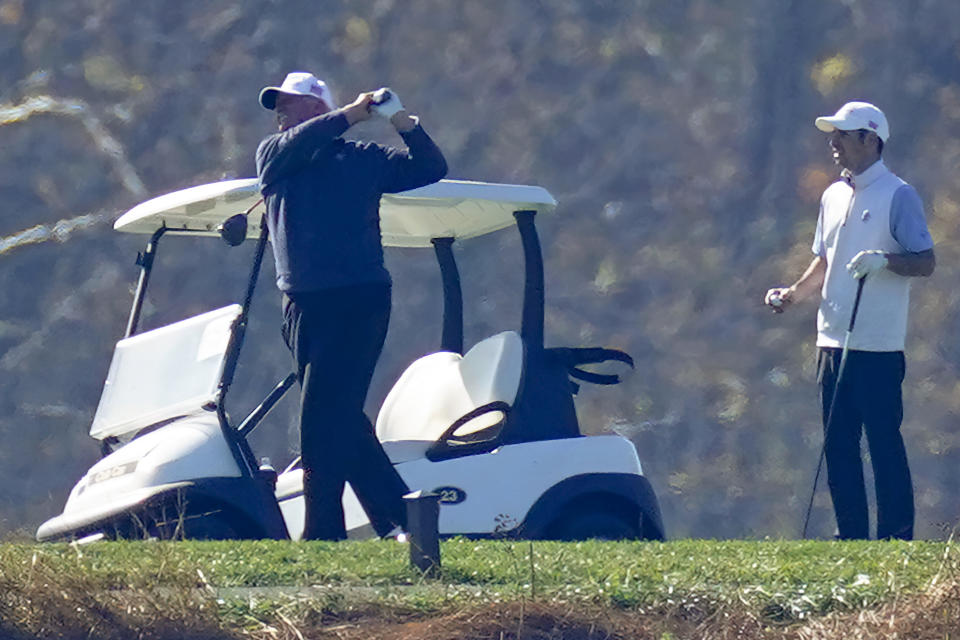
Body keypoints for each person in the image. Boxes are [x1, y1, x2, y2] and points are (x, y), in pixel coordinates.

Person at [255, 72, 448, 540]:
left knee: (321, 416)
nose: (281, 110)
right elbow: (306, 140)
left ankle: (324, 533)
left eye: (291, 102)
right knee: (338, 413)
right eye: (279, 103)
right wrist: (354, 114)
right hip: (302, 305)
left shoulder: (363, 159)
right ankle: (403, 519)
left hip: (359, 300)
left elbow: (430, 167)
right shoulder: (275, 156)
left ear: (317, 108)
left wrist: (402, 121)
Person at [764, 101, 934, 540]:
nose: (832, 142)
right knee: (838, 445)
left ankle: (895, 536)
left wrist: (885, 261)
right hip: (833, 339)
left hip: (877, 345)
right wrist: (793, 295)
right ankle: (851, 534)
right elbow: (824, 262)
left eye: (843, 134)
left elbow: (925, 261)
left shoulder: (898, 194)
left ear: (870, 139)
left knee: (882, 444)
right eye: (833, 134)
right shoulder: (833, 195)